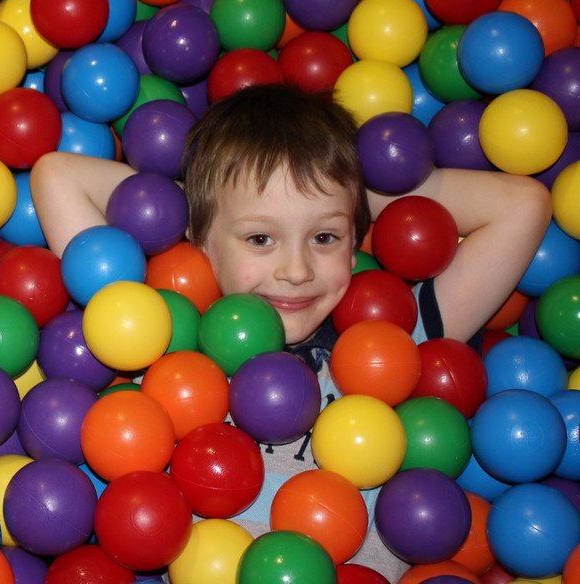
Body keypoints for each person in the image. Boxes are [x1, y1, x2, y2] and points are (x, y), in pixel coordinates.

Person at [30, 82, 552, 579]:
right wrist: (194, 205)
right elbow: (56, 174)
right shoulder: (161, 339)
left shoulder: (391, 344)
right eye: (260, 238)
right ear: (200, 240)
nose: (296, 269)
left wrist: (363, 197)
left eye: (324, 236)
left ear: (355, 242)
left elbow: (523, 206)